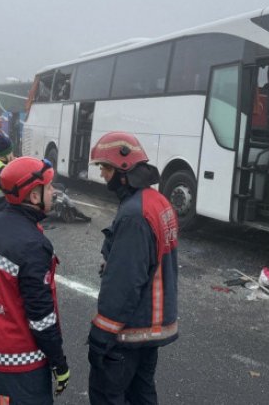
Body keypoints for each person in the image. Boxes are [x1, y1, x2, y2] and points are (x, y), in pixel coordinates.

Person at [87, 131, 179, 405]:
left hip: (130, 329)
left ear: (123, 169)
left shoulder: (134, 214)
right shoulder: (156, 201)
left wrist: (102, 334)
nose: (103, 175)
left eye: (105, 167)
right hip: (152, 328)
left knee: (107, 395)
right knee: (141, 395)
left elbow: (125, 282)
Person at [0, 156, 70, 403]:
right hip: (19, 362)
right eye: (48, 187)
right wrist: (60, 364)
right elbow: (41, 318)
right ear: (34, 197)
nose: (54, 191)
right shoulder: (32, 245)